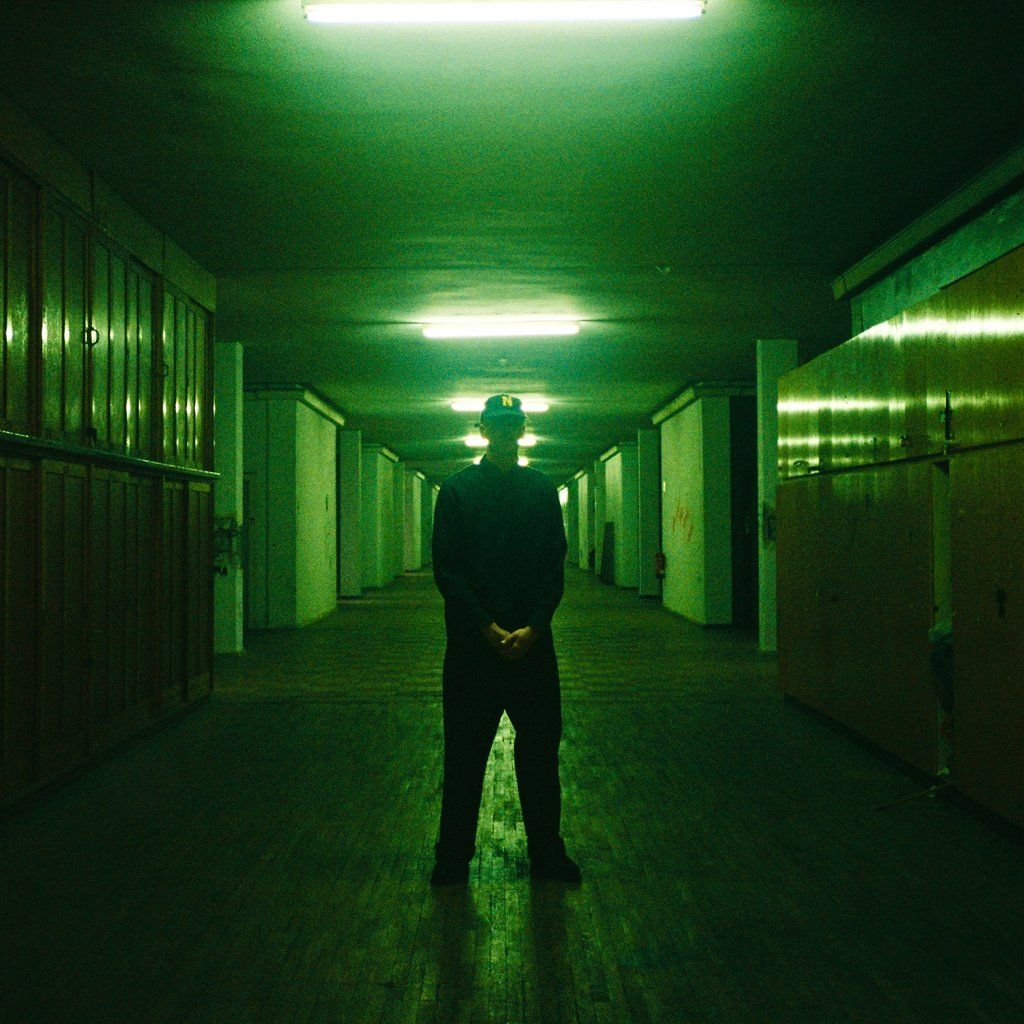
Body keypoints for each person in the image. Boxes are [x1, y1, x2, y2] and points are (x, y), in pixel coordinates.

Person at [430, 393, 580, 885]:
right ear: (483, 429)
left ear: (521, 429)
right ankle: (453, 856)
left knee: (539, 755)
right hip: (478, 651)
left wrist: (534, 625)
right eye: (496, 423)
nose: (504, 431)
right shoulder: (456, 491)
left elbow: (553, 566)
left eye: (511, 423)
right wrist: (488, 627)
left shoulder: (541, 490)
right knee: (465, 755)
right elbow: (448, 570)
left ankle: (545, 853)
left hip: (524, 647)